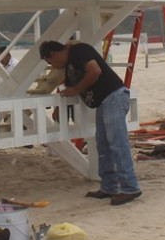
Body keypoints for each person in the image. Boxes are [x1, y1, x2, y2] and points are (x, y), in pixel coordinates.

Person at [39, 40, 141, 206]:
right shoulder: (69, 67)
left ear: (53, 54)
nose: (53, 66)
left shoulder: (79, 51)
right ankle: (109, 187)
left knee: (117, 144)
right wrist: (59, 105)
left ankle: (130, 187)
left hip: (113, 96)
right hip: (103, 102)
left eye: (50, 62)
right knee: (103, 145)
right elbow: (67, 88)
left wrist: (76, 90)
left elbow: (94, 71)